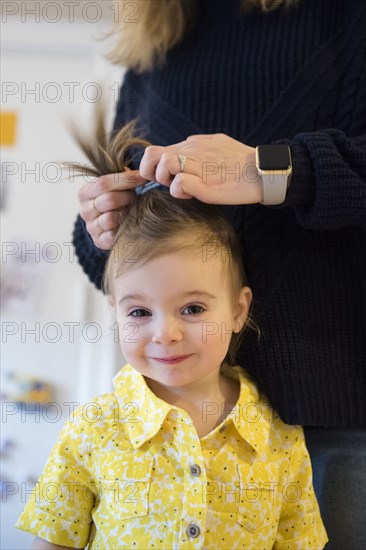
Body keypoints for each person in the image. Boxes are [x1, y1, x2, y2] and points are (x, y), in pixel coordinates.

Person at [72, 0, 366, 546]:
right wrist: (103, 229)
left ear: (242, 306)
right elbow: (117, 265)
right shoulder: (153, 41)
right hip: (169, 420)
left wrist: (270, 172)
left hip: (343, 425)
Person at [16, 116, 328, 547]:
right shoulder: (94, 428)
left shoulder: (279, 437)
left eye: (193, 308)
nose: (166, 334)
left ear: (239, 310)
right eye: (140, 312)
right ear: (115, 312)